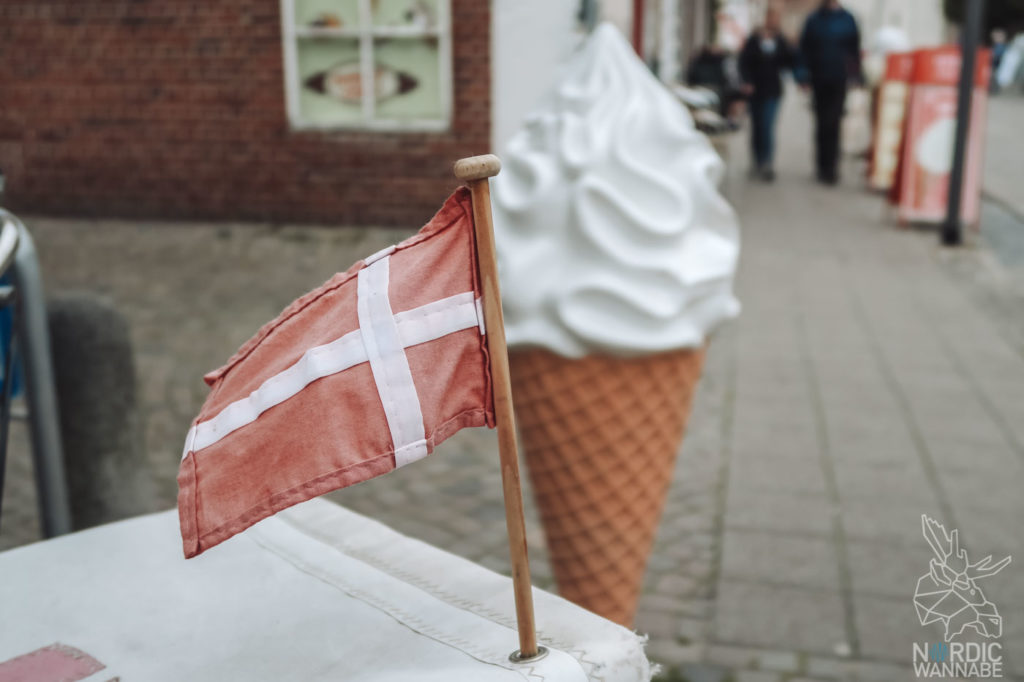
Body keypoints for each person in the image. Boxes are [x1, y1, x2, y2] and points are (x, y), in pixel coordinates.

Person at [797, 0, 863, 185]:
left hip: (839, 77)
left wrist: (857, 75)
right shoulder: (814, 19)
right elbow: (804, 49)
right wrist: (802, 75)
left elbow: (854, 49)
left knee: (833, 122)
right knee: (821, 123)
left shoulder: (848, 19)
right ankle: (821, 165)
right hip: (819, 77)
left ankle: (831, 168)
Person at [738, 5, 796, 181]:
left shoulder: (781, 41)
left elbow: (789, 61)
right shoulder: (754, 40)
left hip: (773, 90)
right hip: (755, 90)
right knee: (757, 126)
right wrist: (747, 81)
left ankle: (767, 162)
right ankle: (757, 160)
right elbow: (744, 62)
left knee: (767, 126)